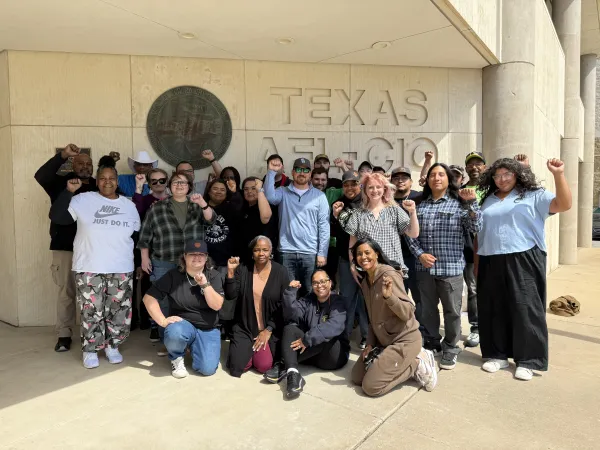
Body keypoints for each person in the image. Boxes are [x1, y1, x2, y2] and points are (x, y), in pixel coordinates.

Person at [476, 158, 571, 381]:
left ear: (517, 174)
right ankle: (497, 354)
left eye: (507, 174)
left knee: (526, 308)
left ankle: (528, 360)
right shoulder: (487, 200)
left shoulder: (533, 195)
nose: (502, 179)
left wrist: (558, 175)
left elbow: (564, 204)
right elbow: (479, 234)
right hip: (490, 258)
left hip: (524, 256)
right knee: (494, 308)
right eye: (497, 176)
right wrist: (478, 263)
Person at [49, 160, 140, 369]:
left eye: (111, 178)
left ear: (117, 182)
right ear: (97, 182)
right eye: (103, 178)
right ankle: (90, 349)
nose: (107, 182)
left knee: (117, 310)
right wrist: (68, 192)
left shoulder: (129, 206)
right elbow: (58, 217)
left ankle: (112, 346)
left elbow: (135, 237)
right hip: (90, 265)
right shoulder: (82, 199)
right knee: (92, 310)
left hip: (121, 266)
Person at [406, 163, 482, 370]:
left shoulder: (459, 204)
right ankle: (432, 342)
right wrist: (420, 255)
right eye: (432, 175)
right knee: (428, 310)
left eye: (441, 175)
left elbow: (475, 227)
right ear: (427, 180)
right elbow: (410, 235)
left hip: (451, 269)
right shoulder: (419, 205)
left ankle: (450, 347)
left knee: (452, 312)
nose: (436, 178)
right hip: (425, 269)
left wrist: (470, 204)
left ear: (449, 179)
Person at [351, 239, 437, 396]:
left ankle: (416, 364)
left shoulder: (389, 275)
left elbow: (407, 312)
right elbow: (372, 318)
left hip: (404, 340)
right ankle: (388, 358)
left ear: (376, 254)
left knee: (371, 387)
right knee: (356, 377)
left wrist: (390, 297)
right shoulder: (365, 282)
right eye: (359, 254)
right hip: (384, 342)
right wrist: (370, 344)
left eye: (367, 252)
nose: (363, 257)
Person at [138, 171, 215, 348]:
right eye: (175, 182)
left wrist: (203, 203)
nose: (179, 185)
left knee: (192, 300)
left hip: (192, 263)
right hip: (164, 260)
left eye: (183, 182)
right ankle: (168, 341)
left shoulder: (197, 206)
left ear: (190, 186)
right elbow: (145, 235)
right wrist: (144, 258)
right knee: (163, 301)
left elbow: (212, 220)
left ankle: (190, 340)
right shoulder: (157, 207)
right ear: (169, 186)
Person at [35, 144, 98, 352]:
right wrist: (62, 155)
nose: (85, 167)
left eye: (89, 164)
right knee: (66, 292)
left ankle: (93, 333)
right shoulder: (62, 183)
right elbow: (41, 175)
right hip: (65, 248)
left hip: (93, 249)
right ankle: (64, 334)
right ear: (73, 164)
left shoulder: (100, 187)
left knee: (92, 293)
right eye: (81, 163)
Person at [142, 240, 225, 378]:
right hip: (183, 325)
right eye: (192, 254)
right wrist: (162, 321)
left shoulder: (214, 275)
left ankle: (194, 346)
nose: (197, 258)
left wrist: (205, 285)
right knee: (175, 331)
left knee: (207, 369)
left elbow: (216, 305)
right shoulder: (173, 276)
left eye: (201, 254)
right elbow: (148, 298)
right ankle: (176, 357)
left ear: (206, 257)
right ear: (184, 256)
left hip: (207, 327)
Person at [264, 270, 349, 398]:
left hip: (332, 356)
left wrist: (307, 339)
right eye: (315, 283)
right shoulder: (309, 299)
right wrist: (290, 293)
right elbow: (291, 316)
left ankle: (283, 364)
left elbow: (334, 326)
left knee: (326, 336)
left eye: (323, 281)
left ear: (330, 283)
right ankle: (293, 373)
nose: (319, 285)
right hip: (312, 355)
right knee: (290, 329)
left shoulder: (338, 302)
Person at [332, 172, 419, 281]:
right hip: (367, 271)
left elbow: (413, 233)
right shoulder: (358, 214)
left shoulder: (394, 210)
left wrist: (412, 212)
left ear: (384, 189)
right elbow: (352, 244)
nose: (375, 190)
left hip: (392, 270)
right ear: (365, 190)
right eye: (371, 187)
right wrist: (353, 265)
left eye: (378, 187)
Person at [264, 157, 330, 297]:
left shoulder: (319, 196)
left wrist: (322, 252)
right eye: (298, 169)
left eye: (305, 170)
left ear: (310, 173)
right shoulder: (282, 191)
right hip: (286, 251)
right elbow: (269, 197)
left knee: (311, 292)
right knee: (288, 293)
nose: (302, 173)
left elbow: (324, 226)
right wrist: (271, 172)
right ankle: (291, 320)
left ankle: (309, 319)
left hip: (310, 253)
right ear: (293, 172)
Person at [225, 237, 289, 377]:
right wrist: (230, 272)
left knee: (263, 366)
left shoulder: (281, 272)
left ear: (271, 251)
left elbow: (284, 305)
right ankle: (247, 350)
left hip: (267, 328)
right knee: (239, 366)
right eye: (257, 250)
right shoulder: (243, 269)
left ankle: (255, 351)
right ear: (252, 252)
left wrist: (269, 329)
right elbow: (230, 295)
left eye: (265, 250)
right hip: (245, 326)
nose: (261, 253)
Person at [332, 170, 369, 349]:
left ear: (360, 185)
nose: (349, 188)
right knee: (346, 299)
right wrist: (335, 217)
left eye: (353, 184)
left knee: (366, 299)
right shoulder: (339, 205)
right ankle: (344, 337)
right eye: (346, 184)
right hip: (345, 261)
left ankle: (367, 336)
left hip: (366, 261)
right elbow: (334, 233)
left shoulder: (368, 203)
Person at [132, 168, 170, 329]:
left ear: (167, 181)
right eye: (154, 181)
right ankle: (154, 324)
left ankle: (168, 323)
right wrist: (139, 187)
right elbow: (135, 213)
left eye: (162, 180)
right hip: (148, 249)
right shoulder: (145, 199)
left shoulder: (174, 199)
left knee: (171, 288)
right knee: (151, 289)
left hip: (170, 249)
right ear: (150, 183)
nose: (158, 183)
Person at [390, 166, 423, 322]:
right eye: (396, 178)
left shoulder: (419, 197)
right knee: (397, 298)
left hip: (415, 257)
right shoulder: (386, 200)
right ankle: (401, 330)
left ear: (411, 181)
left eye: (404, 178)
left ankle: (422, 330)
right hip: (394, 258)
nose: (400, 180)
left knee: (420, 297)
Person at [461, 151, 487, 348]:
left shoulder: (493, 188)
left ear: (485, 167)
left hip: (494, 246)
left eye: (478, 164)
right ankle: (477, 328)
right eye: (471, 164)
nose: (474, 167)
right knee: (473, 289)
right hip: (470, 248)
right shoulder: (460, 191)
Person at [239, 177, 276, 265]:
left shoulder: (267, 206)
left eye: (253, 188)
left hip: (262, 256)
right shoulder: (243, 208)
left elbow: (265, 218)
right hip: (245, 257)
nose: (249, 192)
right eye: (246, 189)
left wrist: (260, 190)